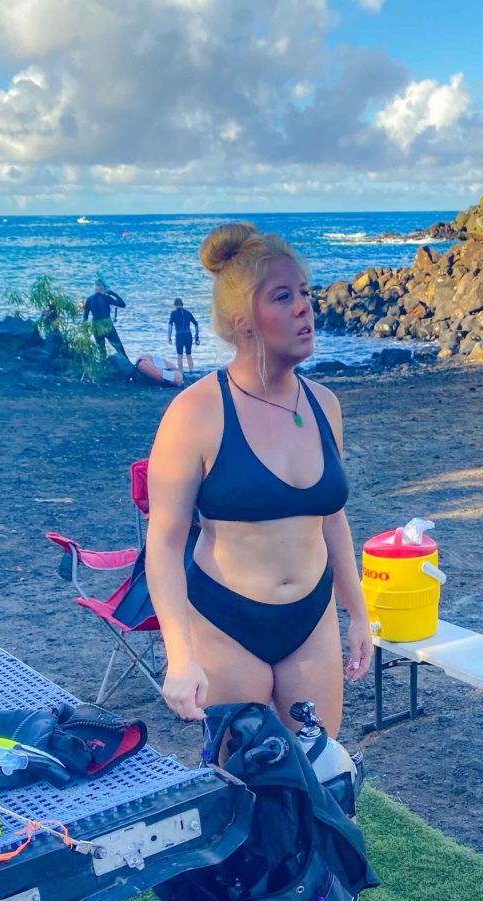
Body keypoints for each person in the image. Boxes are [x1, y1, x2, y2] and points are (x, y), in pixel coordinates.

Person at [144, 221, 372, 744]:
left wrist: (357, 613)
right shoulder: (195, 413)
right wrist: (179, 656)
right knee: (249, 789)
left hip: (311, 620)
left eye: (306, 293)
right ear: (243, 320)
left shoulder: (324, 405)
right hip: (227, 623)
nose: (304, 308)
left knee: (321, 777)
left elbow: (330, 518)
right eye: (283, 296)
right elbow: (164, 540)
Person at [83, 278, 127, 357]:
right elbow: (122, 304)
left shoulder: (89, 299)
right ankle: (128, 366)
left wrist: (85, 331)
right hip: (107, 325)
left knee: (102, 351)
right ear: (103, 288)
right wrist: (113, 294)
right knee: (119, 349)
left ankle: (103, 367)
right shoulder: (106, 298)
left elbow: (85, 317)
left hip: (96, 326)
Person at [168, 297, 200, 374]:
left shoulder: (173, 313)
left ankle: (180, 372)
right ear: (182, 304)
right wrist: (196, 336)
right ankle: (191, 371)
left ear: (175, 305)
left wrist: (169, 336)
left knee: (180, 355)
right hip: (188, 335)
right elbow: (196, 324)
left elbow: (170, 326)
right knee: (189, 354)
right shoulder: (188, 313)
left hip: (179, 336)